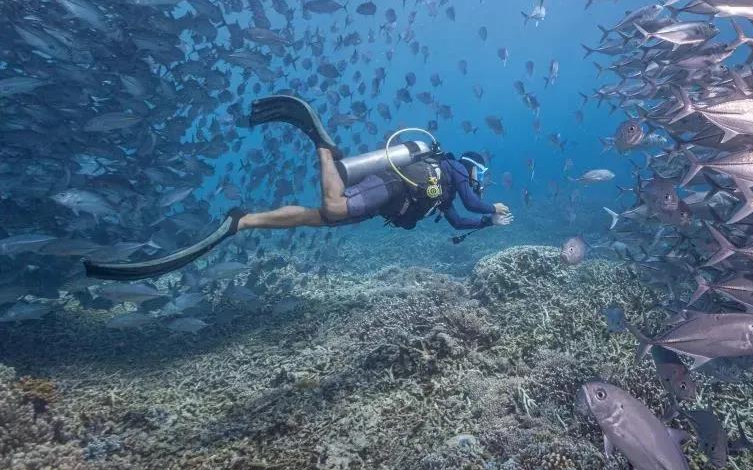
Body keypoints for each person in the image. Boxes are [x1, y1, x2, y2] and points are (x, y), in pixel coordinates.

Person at [84, 95, 513, 280]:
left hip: (392, 198)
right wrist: (494, 208)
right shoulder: (453, 170)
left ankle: (243, 222)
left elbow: (458, 215)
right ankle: (323, 146)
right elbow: (474, 201)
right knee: (333, 209)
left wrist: (486, 226)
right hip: (390, 187)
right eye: (481, 175)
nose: (478, 181)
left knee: (319, 219)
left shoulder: (451, 187)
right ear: (471, 166)